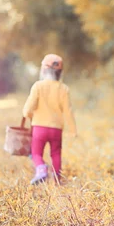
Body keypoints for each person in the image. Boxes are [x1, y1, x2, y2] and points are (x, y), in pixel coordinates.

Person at [22, 54, 77, 185]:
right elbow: (68, 111)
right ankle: (57, 181)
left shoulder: (38, 86)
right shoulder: (64, 89)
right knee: (56, 154)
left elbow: (28, 109)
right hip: (56, 129)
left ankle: (41, 169)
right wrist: (73, 130)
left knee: (35, 153)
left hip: (39, 128)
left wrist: (27, 114)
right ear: (60, 73)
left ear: (43, 70)